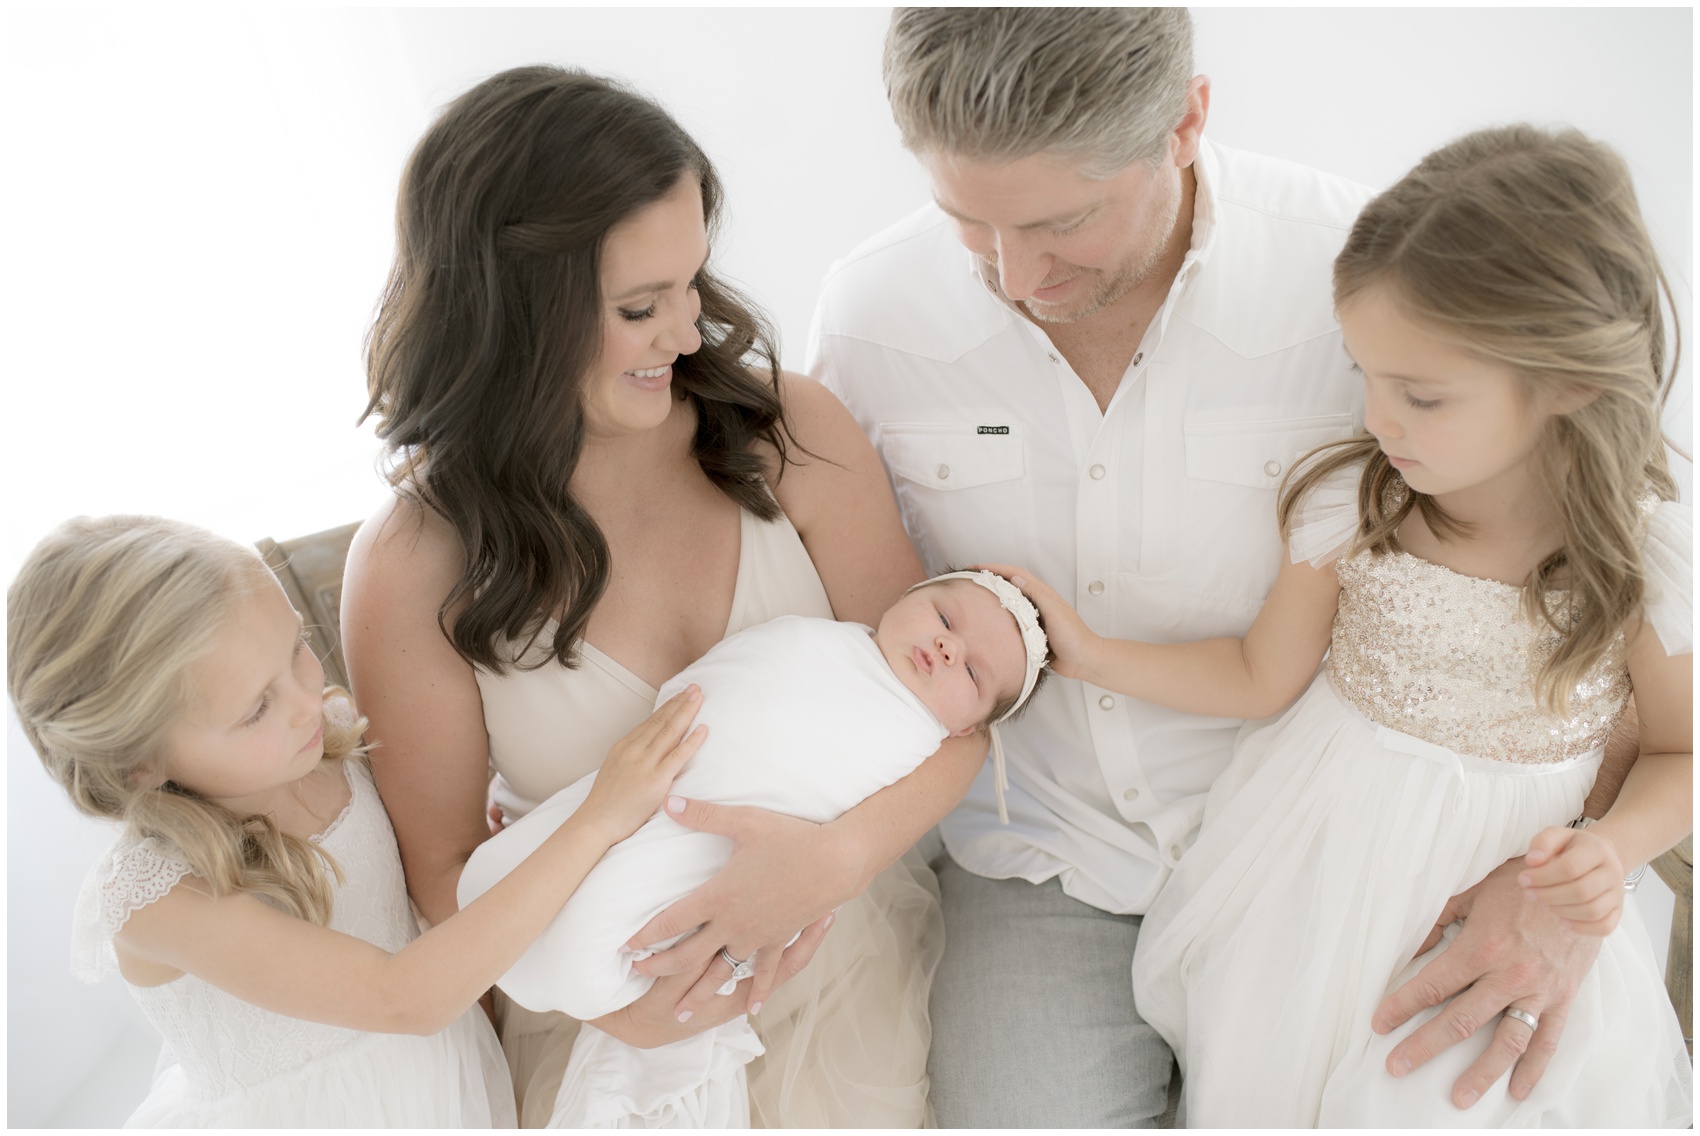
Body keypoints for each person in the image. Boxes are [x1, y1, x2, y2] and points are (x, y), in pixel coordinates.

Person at [807, 8, 1647, 1126]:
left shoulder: (1364, 282)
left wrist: (1570, 887)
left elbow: (1591, 606)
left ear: (1185, 122)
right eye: (967, 224)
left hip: (1338, 864)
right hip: (1046, 855)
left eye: (1062, 223)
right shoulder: (874, 316)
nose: (1012, 275)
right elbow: (862, 631)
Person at [999, 124, 1694, 1126]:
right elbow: (1256, 672)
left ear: (1568, 381)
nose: (1376, 417)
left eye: (1419, 394)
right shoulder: (1353, 505)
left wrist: (1611, 848)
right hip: (1312, 867)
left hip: (1496, 870)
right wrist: (1089, 651)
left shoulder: (1640, 553)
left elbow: (1680, 746)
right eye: (1361, 373)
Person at [342, 65, 986, 1127]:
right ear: (512, 312)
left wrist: (834, 859)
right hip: (607, 1006)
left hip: (842, 941)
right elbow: (447, 877)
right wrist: (619, 1008)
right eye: (640, 306)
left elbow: (960, 713)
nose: (688, 335)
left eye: (692, 284)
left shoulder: (793, 434)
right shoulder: (415, 562)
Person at [6, 515, 712, 1127]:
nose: (307, 700)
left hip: (447, 1084)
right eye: (255, 708)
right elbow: (406, 996)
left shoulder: (330, 738)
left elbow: (430, 875)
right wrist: (596, 819)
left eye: (296, 649)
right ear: (139, 764)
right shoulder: (155, 899)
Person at [460, 571, 1050, 1126]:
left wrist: (838, 858)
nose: (949, 648)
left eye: (973, 674)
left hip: (784, 929)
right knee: (522, 879)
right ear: (905, 596)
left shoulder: (915, 738)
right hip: (631, 803)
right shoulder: (816, 644)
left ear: (968, 727)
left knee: (638, 909)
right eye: (945, 616)